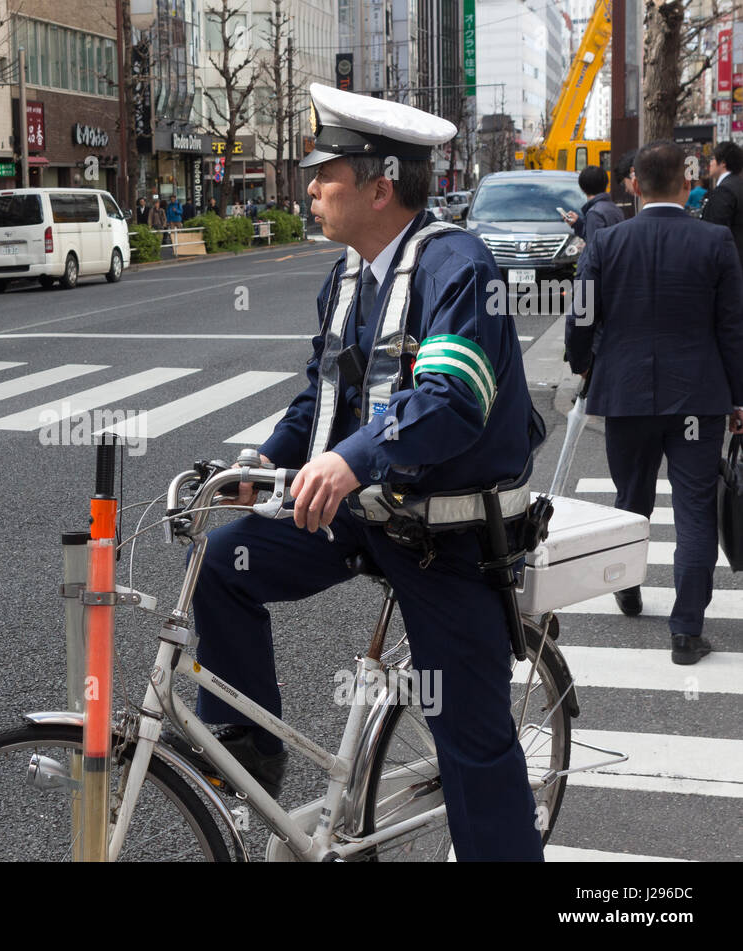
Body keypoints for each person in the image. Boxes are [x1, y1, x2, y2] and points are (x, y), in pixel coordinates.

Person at [170, 82, 547, 860]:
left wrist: (349, 459)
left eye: (326, 173)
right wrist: (265, 465)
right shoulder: (348, 275)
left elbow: (453, 398)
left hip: (448, 535)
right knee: (221, 560)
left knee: (472, 747)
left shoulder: (457, 267)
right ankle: (252, 749)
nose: (310, 187)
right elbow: (323, 397)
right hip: (369, 513)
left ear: (380, 186)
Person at [566, 141, 743, 665]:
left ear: (634, 185)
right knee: (693, 509)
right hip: (697, 399)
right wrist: (738, 398)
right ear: (688, 184)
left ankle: (626, 584)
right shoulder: (716, 242)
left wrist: (582, 364)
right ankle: (687, 632)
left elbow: (581, 313)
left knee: (632, 496)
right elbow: (732, 328)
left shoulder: (607, 243)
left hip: (625, 393)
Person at [701, 141, 743, 268]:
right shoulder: (738, 185)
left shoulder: (724, 191)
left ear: (723, 163)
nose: (710, 163)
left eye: (713, 158)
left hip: (730, 265)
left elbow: (715, 232)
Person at [562, 165, 624, 240]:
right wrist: (578, 225)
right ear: (606, 184)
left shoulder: (594, 213)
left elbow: (594, 247)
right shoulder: (615, 209)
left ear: (582, 188)